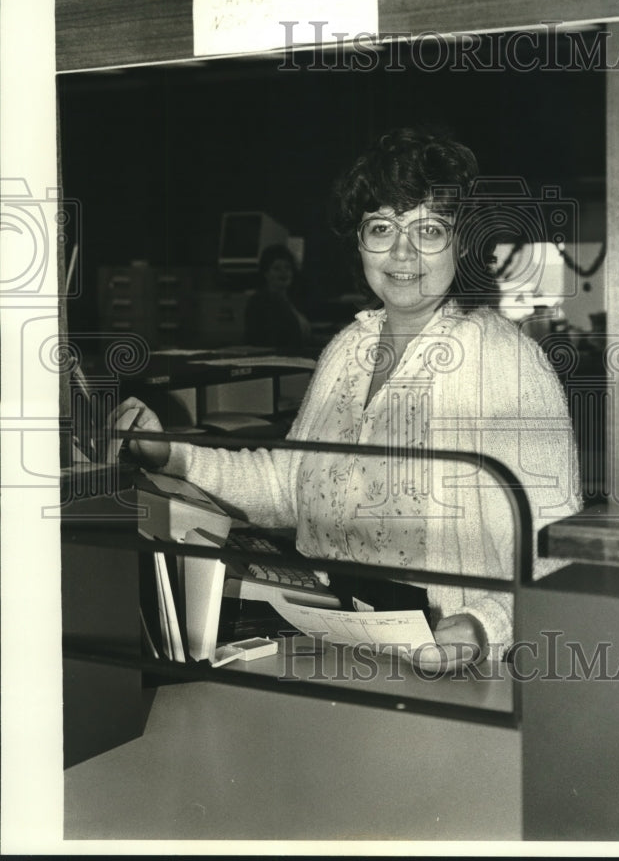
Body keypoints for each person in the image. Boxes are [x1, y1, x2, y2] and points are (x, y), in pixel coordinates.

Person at [116, 127, 581, 667]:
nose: (402, 251)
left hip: (444, 664)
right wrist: (169, 452)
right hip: (324, 639)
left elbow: (555, 548)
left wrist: (485, 625)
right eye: (381, 227)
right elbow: (286, 484)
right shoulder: (348, 348)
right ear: (359, 241)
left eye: (429, 229)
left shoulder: (504, 361)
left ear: (463, 241)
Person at [244, 243, 312, 354]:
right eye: (277, 268)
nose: (284, 272)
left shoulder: (293, 300)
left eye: (287, 268)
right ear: (266, 273)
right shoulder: (259, 302)